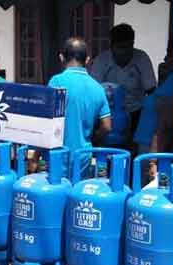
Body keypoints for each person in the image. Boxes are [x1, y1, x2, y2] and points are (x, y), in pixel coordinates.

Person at [48, 37, 112, 177]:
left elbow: (46, 120)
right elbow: (107, 126)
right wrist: (93, 135)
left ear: (61, 58)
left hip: (59, 154)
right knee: (79, 190)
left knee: (58, 190)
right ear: (87, 60)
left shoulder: (56, 82)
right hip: (83, 156)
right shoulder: (98, 88)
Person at [90, 23, 156, 152]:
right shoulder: (101, 60)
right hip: (107, 114)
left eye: (129, 46)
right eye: (121, 47)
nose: (125, 51)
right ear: (112, 46)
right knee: (107, 152)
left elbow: (152, 91)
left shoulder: (141, 58)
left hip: (136, 112)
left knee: (133, 152)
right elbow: (93, 92)